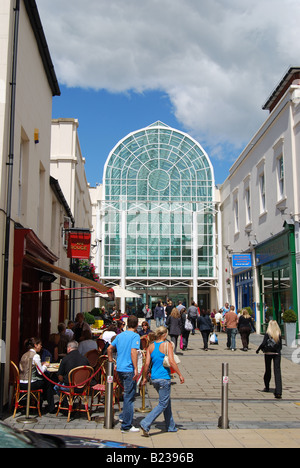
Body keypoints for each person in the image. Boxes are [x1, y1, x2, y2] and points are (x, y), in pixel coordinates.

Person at [140, 326, 184, 437]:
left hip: (154, 378)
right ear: (164, 335)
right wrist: (180, 374)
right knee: (163, 403)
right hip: (164, 377)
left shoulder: (150, 346)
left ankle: (171, 426)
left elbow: (146, 364)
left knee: (166, 402)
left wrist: (144, 377)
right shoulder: (167, 345)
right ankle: (146, 422)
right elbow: (172, 362)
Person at [107, 315, 141, 433]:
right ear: (137, 324)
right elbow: (133, 352)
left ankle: (124, 417)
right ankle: (126, 425)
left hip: (120, 368)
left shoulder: (120, 335)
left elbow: (109, 348)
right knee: (129, 397)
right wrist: (136, 368)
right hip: (128, 369)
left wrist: (111, 361)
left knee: (126, 394)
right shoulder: (135, 336)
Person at [19, 337, 56, 414]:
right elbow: (40, 371)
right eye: (40, 345)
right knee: (48, 383)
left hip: (21, 382)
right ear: (35, 345)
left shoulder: (24, 355)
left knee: (44, 381)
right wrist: (45, 365)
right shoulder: (35, 356)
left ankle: (37, 403)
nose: (41, 346)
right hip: (30, 383)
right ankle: (51, 407)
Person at [256, 320, 282, 399]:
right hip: (276, 354)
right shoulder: (278, 333)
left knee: (268, 370)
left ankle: (267, 387)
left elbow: (264, 343)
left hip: (268, 353)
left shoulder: (268, 333)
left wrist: (258, 349)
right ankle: (278, 392)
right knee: (277, 372)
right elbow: (280, 345)